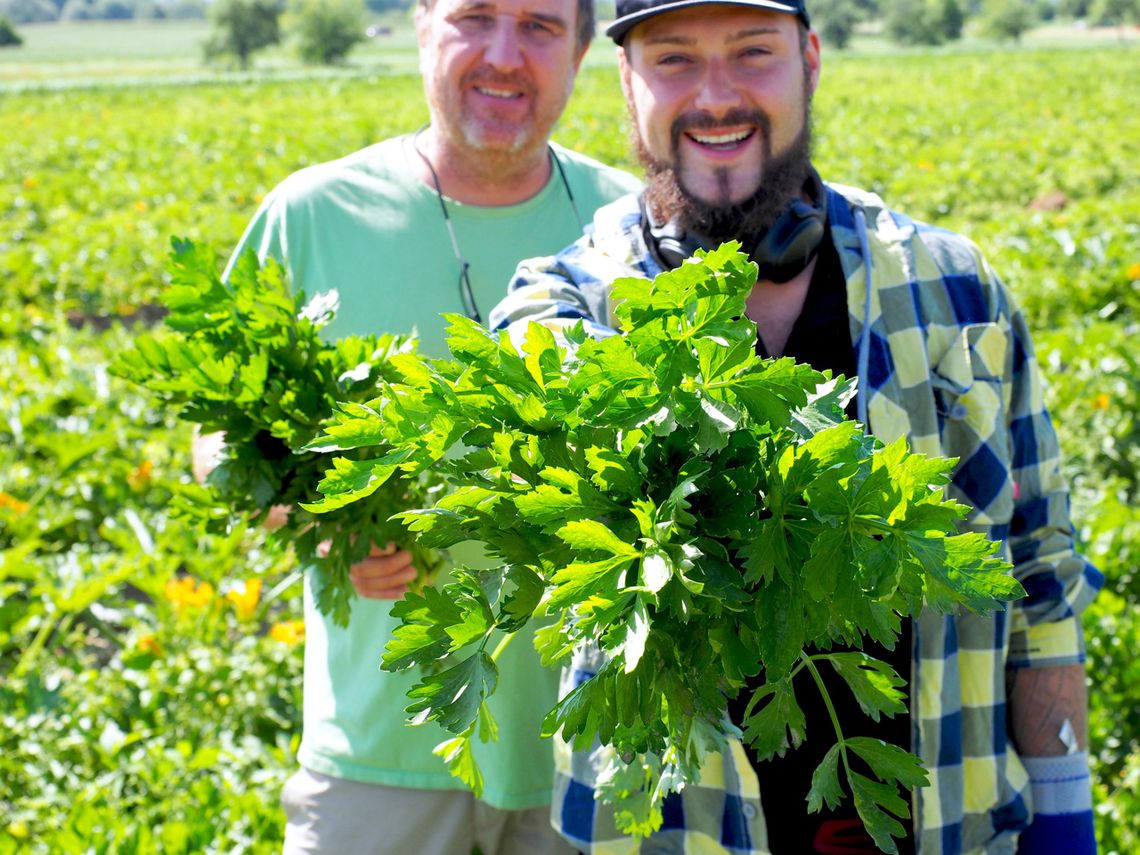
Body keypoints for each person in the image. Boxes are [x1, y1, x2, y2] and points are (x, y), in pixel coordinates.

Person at [488, 1, 1103, 853]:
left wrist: (1066, 812)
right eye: (672, 60)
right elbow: (534, 353)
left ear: (810, 59)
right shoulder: (567, 303)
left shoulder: (955, 291)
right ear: (626, 82)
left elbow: (1039, 572)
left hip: (955, 821)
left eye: (753, 52)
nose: (715, 96)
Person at [220, 0, 641, 851]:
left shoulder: (634, 227)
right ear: (421, 26)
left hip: (597, 755)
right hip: (380, 760)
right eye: (474, 16)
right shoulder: (313, 216)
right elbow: (223, 439)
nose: (503, 54)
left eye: (539, 26)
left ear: (583, 51)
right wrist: (316, 515)